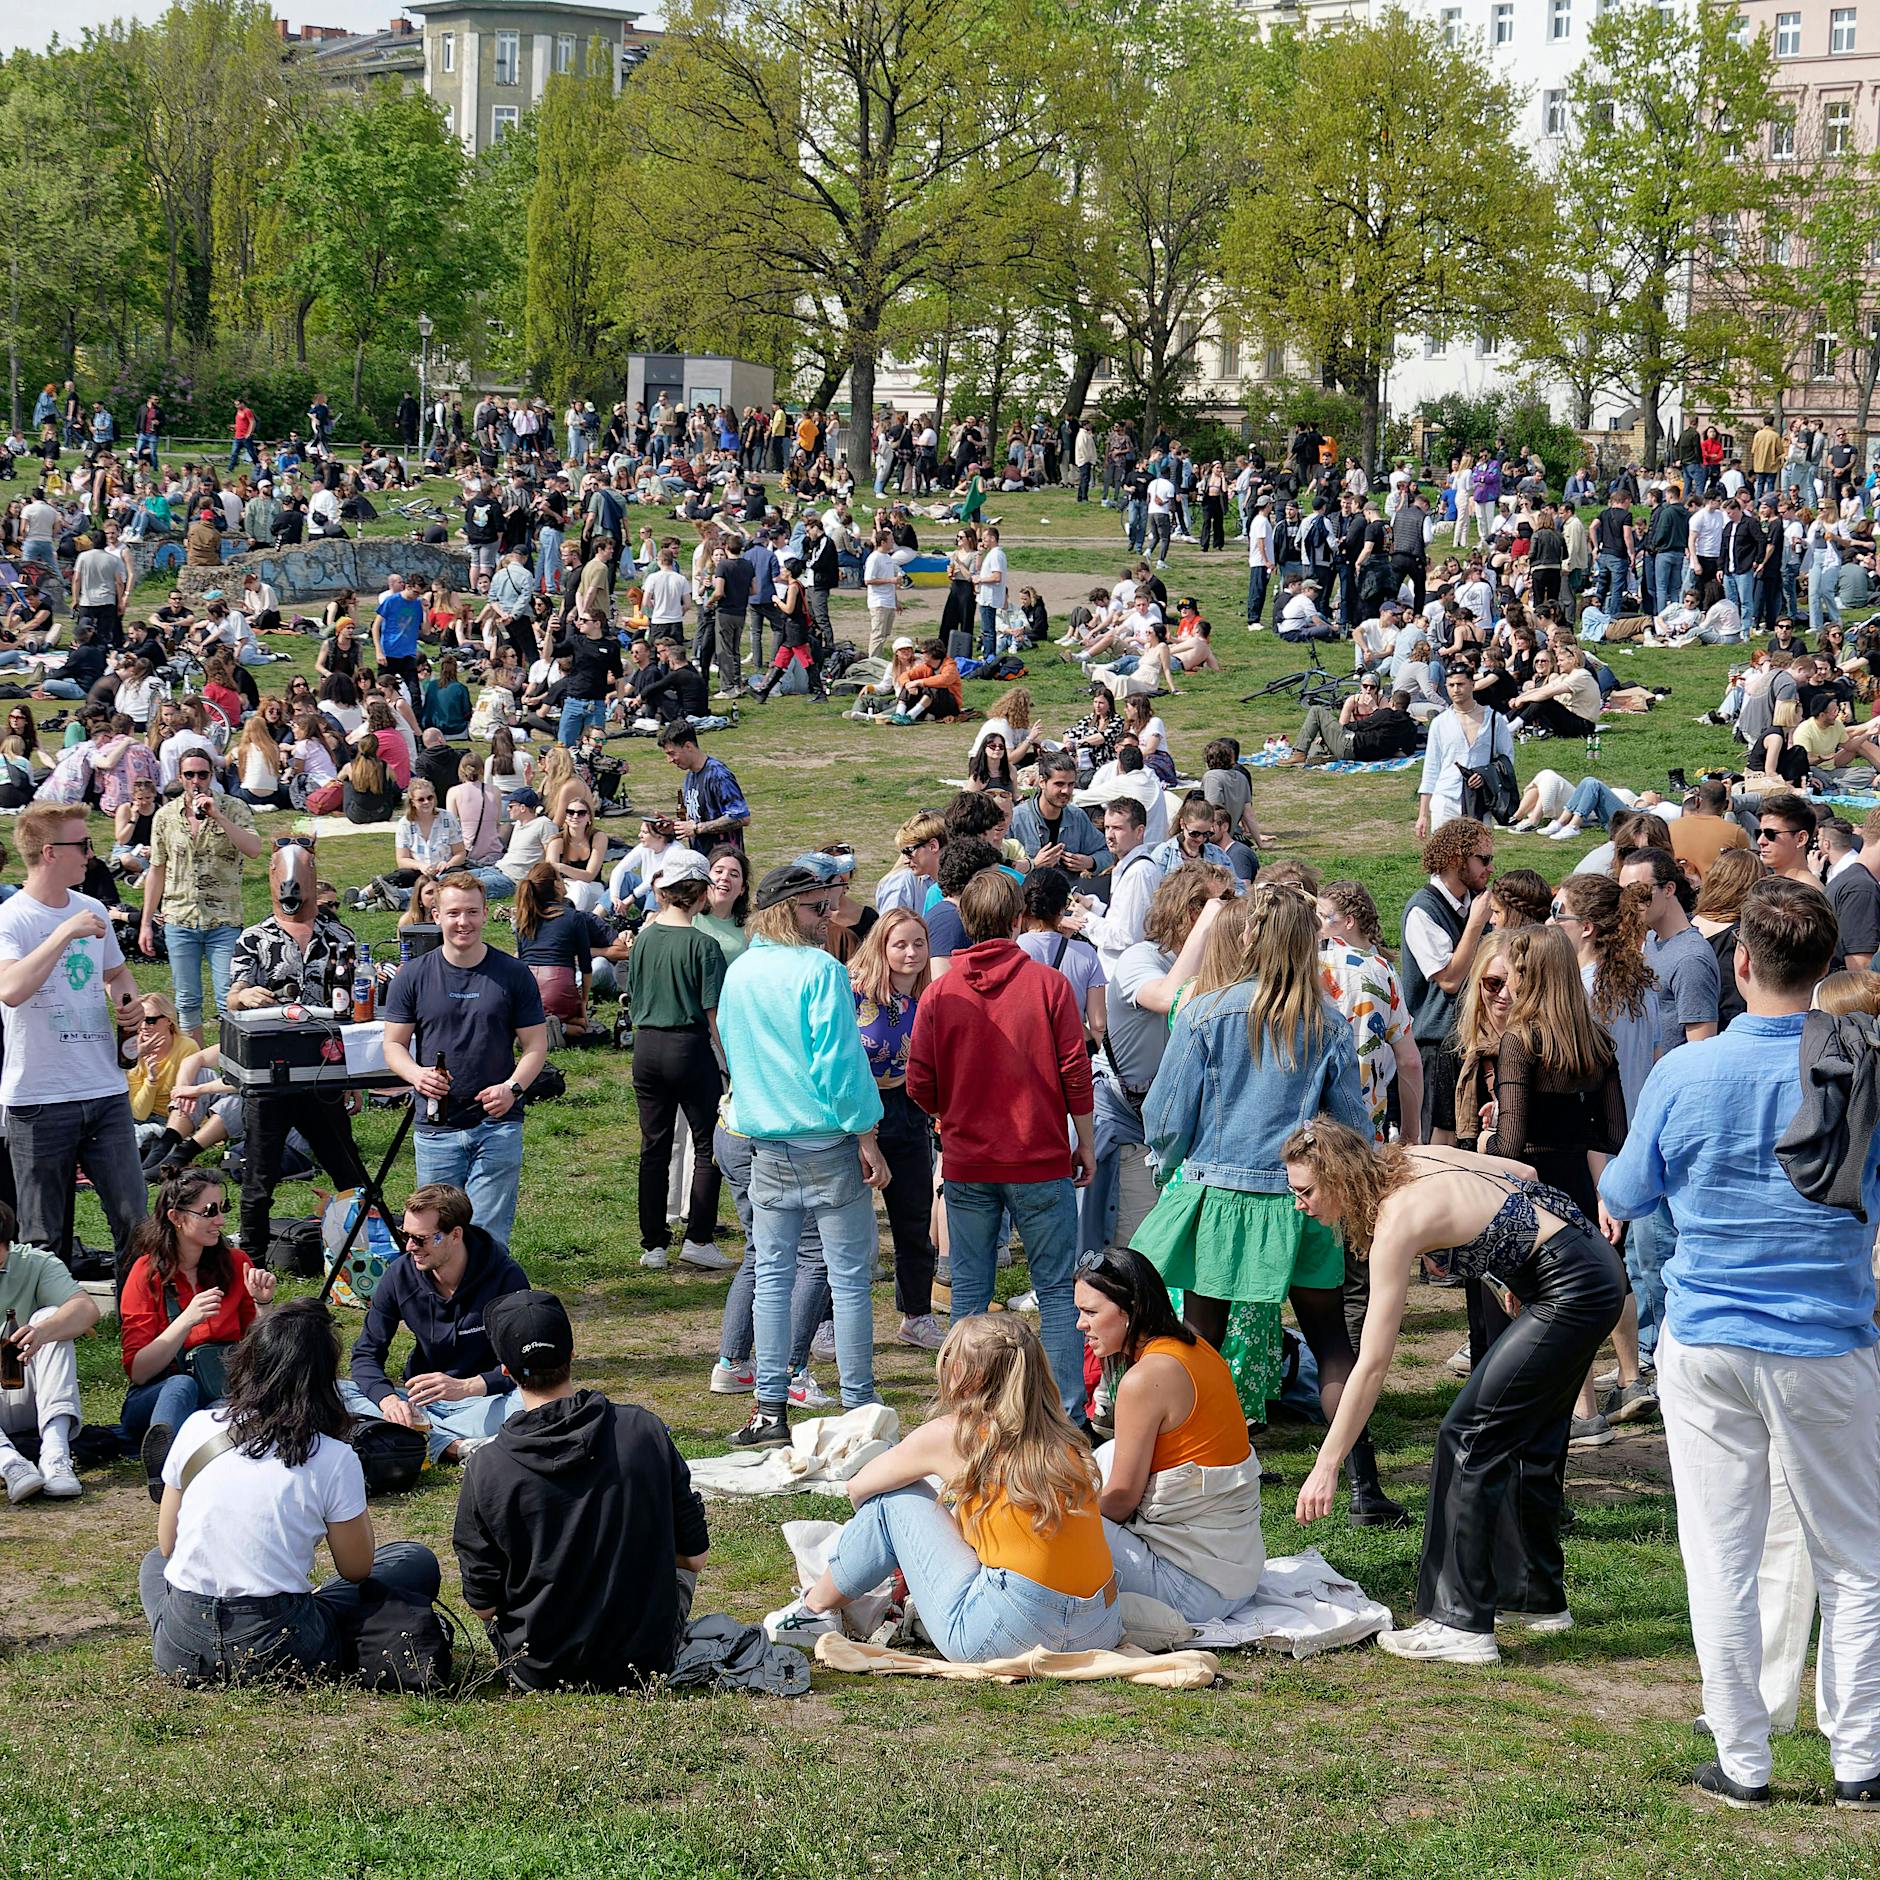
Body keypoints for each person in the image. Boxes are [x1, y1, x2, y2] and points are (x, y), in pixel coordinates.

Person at [1600, 879, 1880, 1809]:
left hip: (1712, 1335)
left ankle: (1744, 1761)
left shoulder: (1690, 1072)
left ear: (1741, 963)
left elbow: (1632, 1193)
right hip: (1826, 1338)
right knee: (1852, 1554)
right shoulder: (1862, 1068)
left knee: (1721, 1552)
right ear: (1830, 966)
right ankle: (1860, 1763)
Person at [1285, 1123, 1623, 1663]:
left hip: (1571, 1286)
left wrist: (1328, 1463)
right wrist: (1512, 1271)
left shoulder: (1397, 1221)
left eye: (1306, 1190)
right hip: (1588, 1266)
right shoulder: (1407, 1157)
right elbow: (1524, 1177)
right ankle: (1535, 1598)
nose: (1299, 1204)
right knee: (1529, 1438)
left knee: (1467, 1436)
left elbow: (1371, 1364)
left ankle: (1458, 1623)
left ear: (1342, 1178)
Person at [1137, 885, 1402, 1526]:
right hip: (1304, 1199)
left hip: (1220, 1200)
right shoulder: (1329, 1024)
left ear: (1250, 938)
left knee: (1199, 1341)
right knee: (1331, 1338)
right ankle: (1362, 1487)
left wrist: (1174, 1165)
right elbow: (1350, 1130)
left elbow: (1165, 1114)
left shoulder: (1204, 1013)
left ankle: (1190, 1476)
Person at [763, 1314, 1123, 1661]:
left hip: (1006, 1632)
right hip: (1097, 1627)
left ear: (969, 1376)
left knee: (894, 1499)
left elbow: (859, 1488)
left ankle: (813, 1610)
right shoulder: (1064, 1438)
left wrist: (905, 1546)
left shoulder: (955, 1433)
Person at [139, 1297, 443, 1686]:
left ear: (247, 1361)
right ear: (325, 1379)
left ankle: (191, 1639)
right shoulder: (334, 1456)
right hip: (280, 1643)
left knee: (153, 1564)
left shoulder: (197, 1427)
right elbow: (356, 1568)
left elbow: (169, 1546)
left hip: (182, 1646)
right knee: (412, 1560)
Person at [451, 1289, 711, 1690]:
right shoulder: (643, 1431)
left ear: (505, 1372)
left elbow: (484, 1604)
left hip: (536, 1667)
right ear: (573, 1355)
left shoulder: (487, 1466)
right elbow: (694, 1558)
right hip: (646, 1660)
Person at [907, 870, 1095, 1423]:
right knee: (1058, 1290)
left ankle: (969, 1410)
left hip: (970, 1160)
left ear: (965, 920)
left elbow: (920, 1079)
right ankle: (1065, 1417)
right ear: (1018, 919)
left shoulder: (941, 991)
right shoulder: (1046, 985)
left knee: (970, 1293)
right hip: (1037, 1158)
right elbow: (1075, 1072)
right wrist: (1084, 1142)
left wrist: (950, 1113)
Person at [715, 864, 890, 1448]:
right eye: (819, 907)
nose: (829, 917)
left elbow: (734, 1053)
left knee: (772, 1274)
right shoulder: (819, 970)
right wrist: (866, 1132)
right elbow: (840, 1065)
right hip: (825, 1140)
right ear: (790, 910)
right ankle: (859, 1404)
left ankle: (769, 1409)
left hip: (764, 1141)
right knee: (846, 1279)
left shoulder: (740, 971)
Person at [1074, 1248, 1264, 1621]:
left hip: (1192, 1590)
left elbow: (1120, 1502)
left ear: (1131, 1310)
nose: (1081, 1324)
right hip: (1235, 1576)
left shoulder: (1145, 1378)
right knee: (1106, 1456)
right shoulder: (1195, 1347)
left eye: (1092, 1312)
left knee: (1042, 1519)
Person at [0, 804, 146, 1264]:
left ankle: (142, 1326)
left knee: (134, 1219)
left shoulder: (92, 908)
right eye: (82, 845)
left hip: (104, 1088)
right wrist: (63, 933)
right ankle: (47, 1334)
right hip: (38, 1098)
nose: (91, 854)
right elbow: (11, 989)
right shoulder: (12, 918)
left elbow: (117, 974)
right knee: (42, 1235)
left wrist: (130, 1005)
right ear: (49, 853)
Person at [381, 876, 549, 1256]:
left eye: (472, 912)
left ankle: (487, 1310)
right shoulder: (413, 975)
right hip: (436, 1126)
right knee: (434, 1235)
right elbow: (393, 1045)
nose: (463, 922)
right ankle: (443, 1309)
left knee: (487, 1235)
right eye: (454, 912)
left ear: (486, 914)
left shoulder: (512, 973)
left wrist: (513, 1088)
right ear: (436, 915)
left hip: (498, 1124)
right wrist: (416, 1074)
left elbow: (536, 1046)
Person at [219, 840, 372, 1246]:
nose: (292, 894)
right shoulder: (254, 938)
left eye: (300, 881)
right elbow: (233, 994)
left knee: (344, 1163)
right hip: (271, 1072)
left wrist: (355, 1076)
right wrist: (244, 995)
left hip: (324, 1069)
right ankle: (250, 1253)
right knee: (259, 1170)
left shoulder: (339, 935)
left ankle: (366, 1240)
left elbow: (354, 1005)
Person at [343, 1182, 530, 1468]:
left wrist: (468, 1386)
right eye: (405, 1235)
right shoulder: (400, 1275)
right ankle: (455, 1446)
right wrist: (389, 1402)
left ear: (455, 1235)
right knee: (332, 1392)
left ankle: (417, 1439)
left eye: (421, 1239)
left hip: (485, 1400)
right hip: (420, 1403)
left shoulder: (505, 1277)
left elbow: (527, 1362)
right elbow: (366, 1353)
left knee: (532, 1402)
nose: (409, 1247)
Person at [119, 1169, 276, 1497]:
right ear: (176, 1217)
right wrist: (185, 1321)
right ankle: (164, 1470)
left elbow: (262, 1353)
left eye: (223, 1208)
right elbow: (139, 1370)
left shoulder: (235, 1263)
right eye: (209, 1211)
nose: (220, 1220)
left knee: (230, 1403)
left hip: (220, 1390)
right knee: (181, 1384)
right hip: (156, 1397)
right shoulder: (145, 1273)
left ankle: (204, 1460)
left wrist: (263, 1306)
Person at [624, 853, 729, 1272]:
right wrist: (733, 1065)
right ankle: (698, 1238)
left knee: (654, 1147)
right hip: (688, 1049)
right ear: (701, 893)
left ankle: (654, 1244)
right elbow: (715, 1015)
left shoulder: (645, 937)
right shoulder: (705, 946)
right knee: (708, 1144)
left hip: (646, 1049)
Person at [849, 907, 942, 1349]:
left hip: (906, 1108)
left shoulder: (928, 999)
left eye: (919, 943)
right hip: (856, 1109)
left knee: (914, 1218)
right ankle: (827, 1319)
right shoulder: (855, 993)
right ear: (881, 948)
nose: (911, 953)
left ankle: (917, 1314)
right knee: (845, 1225)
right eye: (899, 944)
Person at [140, 755, 264, 1040]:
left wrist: (217, 815)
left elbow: (254, 848)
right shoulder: (165, 816)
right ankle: (194, 1067)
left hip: (224, 919)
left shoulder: (233, 808)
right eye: (189, 775)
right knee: (186, 1001)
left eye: (203, 775)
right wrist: (146, 923)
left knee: (229, 999)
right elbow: (157, 870)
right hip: (179, 917)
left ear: (212, 776)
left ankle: (230, 1067)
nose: (196, 781)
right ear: (180, 776)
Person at [1400, 816, 1495, 1141]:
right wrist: (1477, 925)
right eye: (1483, 859)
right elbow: (1450, 980)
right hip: (1435, 1049)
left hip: (1470, 1043)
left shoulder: (1472, 903)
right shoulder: (1422, 911)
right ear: (1457, 858)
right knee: (1434, 1148)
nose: (1490, 869)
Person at [0, 1199, 100, 1502]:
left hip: (24, 1389)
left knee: (50, 1319)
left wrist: (42, 1333)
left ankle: (56, 1454)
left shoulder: (35, 1263)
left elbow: (86, 1310)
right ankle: (10, 1464)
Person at [1009, 754, 1109, 883]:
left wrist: (1090, 862)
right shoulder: (1015, 819)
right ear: (1042, 783)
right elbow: (999, 866)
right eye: (1059, 784)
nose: (1066, 791)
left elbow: (1107, 851)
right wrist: (1033, 864)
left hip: (1069, 896)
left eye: (1071, 784)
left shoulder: (1077, 817)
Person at [660, 720, 750, 846]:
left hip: (723, 861)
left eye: (672, 753)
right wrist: (675, 827)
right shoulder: (690, 777)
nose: (669, 760)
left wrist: (698, 828)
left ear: (688, 747)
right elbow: (696, 820)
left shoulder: (718, 775)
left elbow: (742, 817)